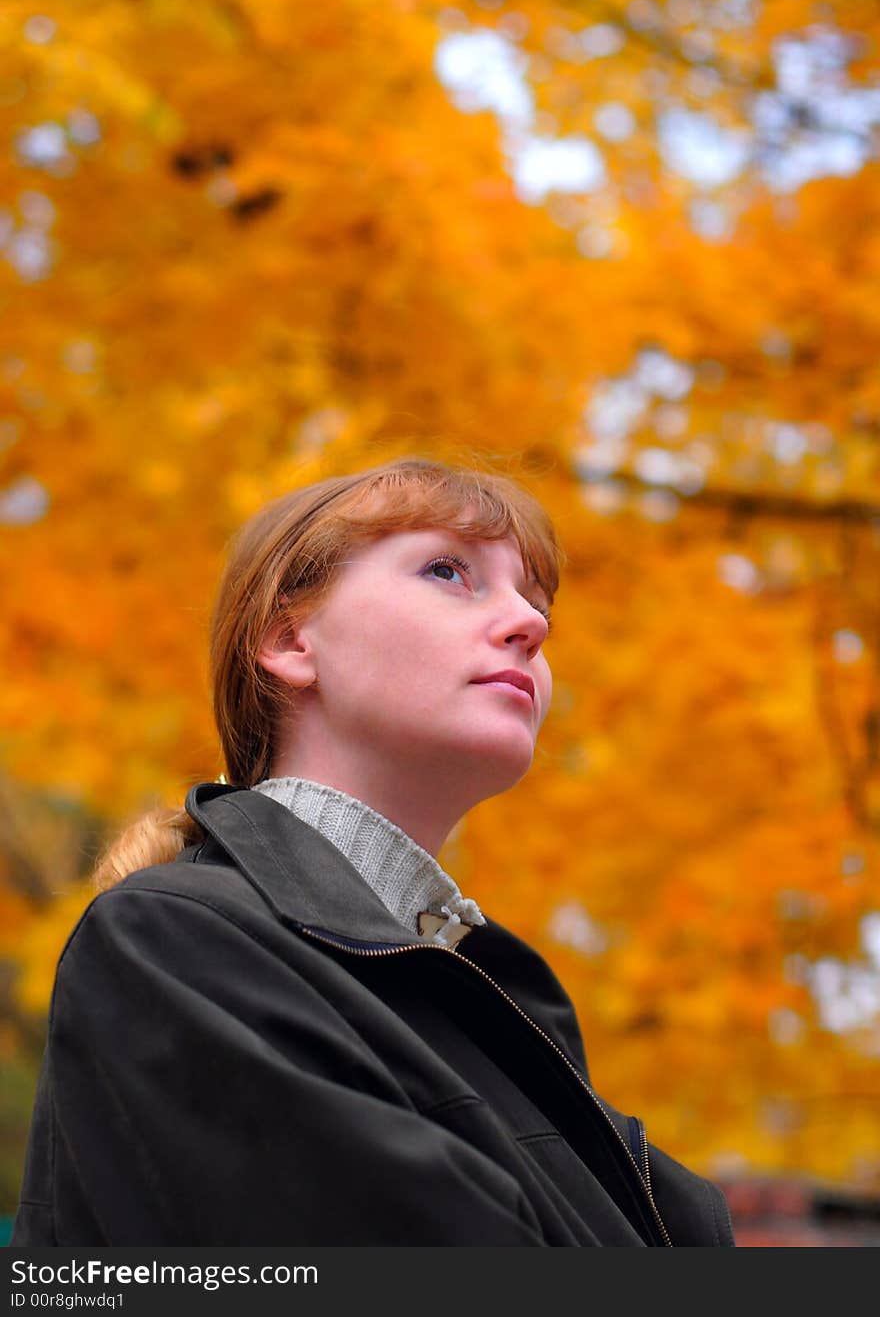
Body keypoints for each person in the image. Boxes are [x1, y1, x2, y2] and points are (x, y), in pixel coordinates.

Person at [10, 455, 735, 1247]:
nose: (531, 625)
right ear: (291, 640)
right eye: (449, 571)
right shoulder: (174, 942)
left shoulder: (503, 1003)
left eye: (535, 603)